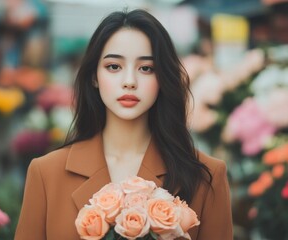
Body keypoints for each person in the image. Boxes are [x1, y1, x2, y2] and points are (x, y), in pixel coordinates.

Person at [14, 8, 233, 240]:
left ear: (163, 78)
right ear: (93, 77)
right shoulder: (46, 173)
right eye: (114, 67)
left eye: (146, 68)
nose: (129, 81)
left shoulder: (206, 176)